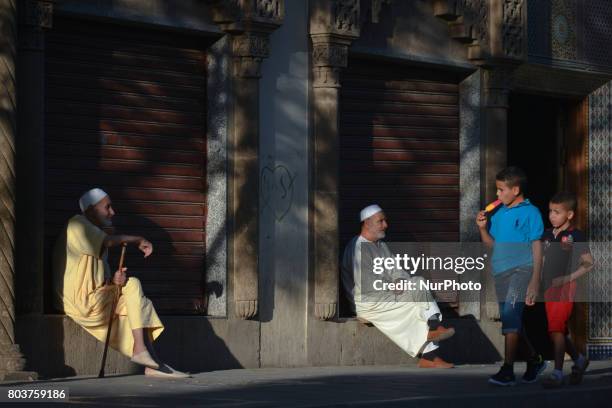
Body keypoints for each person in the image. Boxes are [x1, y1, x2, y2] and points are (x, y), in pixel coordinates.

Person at [52, 188, 189, 378]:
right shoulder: (77, 224)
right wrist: (137, 239)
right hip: (79, 303)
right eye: (107, 207)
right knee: (133, 286)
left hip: (95, 301)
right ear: (91, 209)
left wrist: (114, 281)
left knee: (136, 298)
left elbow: (101, 278)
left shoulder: (95, 236)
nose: (112, 212)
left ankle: (152, 364)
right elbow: (108, 242)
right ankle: (144, 355)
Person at [341, 204, 455, 369]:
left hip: (385, 295)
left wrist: (400, 281)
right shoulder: (358, 248)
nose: (385, 225)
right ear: (367, 223)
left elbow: (396, 270)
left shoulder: (380, 245)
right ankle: (430, 348)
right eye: (381, 221)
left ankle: (431, 342)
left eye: (385, 221)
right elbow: (369, 284)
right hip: (368, 302)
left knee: (418, 285)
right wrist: (395, 286)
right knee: (418, 301)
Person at [476, 167, 546, 386]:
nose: (497, 195)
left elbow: (537, 247)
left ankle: (507, 369)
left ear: (515, 190)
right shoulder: (499, 213)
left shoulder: (531, 212)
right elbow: (492, 245)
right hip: (501, 273)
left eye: (501, 190)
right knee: (511, 319)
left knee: (510, 315)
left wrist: (535, 281)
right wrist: (482, 228)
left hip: (521, 270)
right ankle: (535, 360)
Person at [540, 192, 593, 388]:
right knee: (557, 330)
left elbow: (588, 263)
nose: (552, 216)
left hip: (566, 287)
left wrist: (567, 278)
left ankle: (557, 373)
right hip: (548, 288)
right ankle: (579, 359)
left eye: (557, 212)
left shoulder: (575, 235)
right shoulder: (545, 235)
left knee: (556, 329)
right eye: (550, 211)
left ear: (569, 215)